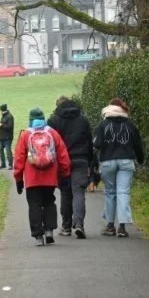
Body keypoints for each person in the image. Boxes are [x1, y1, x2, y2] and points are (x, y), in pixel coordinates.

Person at [14, 107, 72, 246]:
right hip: (50, 177)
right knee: (49, 202)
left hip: (32, 178)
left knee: (34, 205)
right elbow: (63, 155)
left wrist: (18, 179)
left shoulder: (25, 135)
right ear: (43, 118)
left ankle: (38, 236)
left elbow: (19, 158)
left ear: (30, 119)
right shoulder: (52, 133)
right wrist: (65, 174)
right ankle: (49, 230)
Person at [93, 98, 146, 238]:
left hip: (108, 162)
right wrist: (140, 159)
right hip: (126, 161)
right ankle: (122, 227)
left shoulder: (103, 124)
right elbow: (138, 145)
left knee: (110, 193)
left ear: (108, 109)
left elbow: (97, 144)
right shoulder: (130, 125)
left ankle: (110, 226)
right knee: (123, 192)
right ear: (123, 109)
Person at [48, 96, 94, 238]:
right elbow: (89, 142)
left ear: (58, 106)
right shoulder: (83, 120)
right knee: (79, 192)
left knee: (65, 193)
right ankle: (79, 224)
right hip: (81, 159)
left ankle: (66, 227)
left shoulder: (54, 120)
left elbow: (50, 142)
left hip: (63, 161)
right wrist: (90, 162)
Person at [0, 104, 14, 169]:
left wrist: (0, 125)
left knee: (8, 151)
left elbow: (10, 127)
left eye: (1, 110)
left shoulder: (10, 117)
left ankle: (10, 165)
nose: (0, 112)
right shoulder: (3, 116)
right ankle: (3, 164)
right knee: (0, 150)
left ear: (3, 110)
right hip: (2, 137)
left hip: (7, 137)